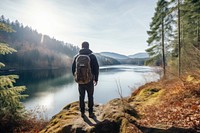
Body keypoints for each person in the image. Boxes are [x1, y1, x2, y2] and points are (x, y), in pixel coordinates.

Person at [72, 41, 99, 118]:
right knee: (90, 96)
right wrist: (96, 79)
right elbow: (96, 68)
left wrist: (76, 77)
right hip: (90, 80)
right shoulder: (92, 56)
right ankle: (90, 113)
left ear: (81, 46)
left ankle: (82, 113)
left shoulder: (77, 56)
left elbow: (73, 68)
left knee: (81, 96)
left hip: (80, 81)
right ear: (88, 47)